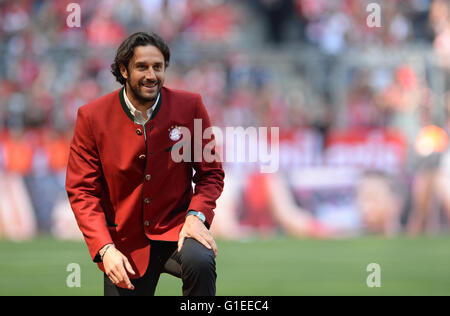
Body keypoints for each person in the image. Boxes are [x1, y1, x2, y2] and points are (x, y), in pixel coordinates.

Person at [65, 32, 225, 296]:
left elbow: (211, 174)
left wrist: (197, 216)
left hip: (179, 230)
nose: (151, 75)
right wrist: (105, 249)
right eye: (142, 67)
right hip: (124, 243)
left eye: (158, 67)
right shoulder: (91, 117)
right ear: (123, 70)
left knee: (201, 260)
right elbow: (82, 192)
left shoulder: (191, 106)